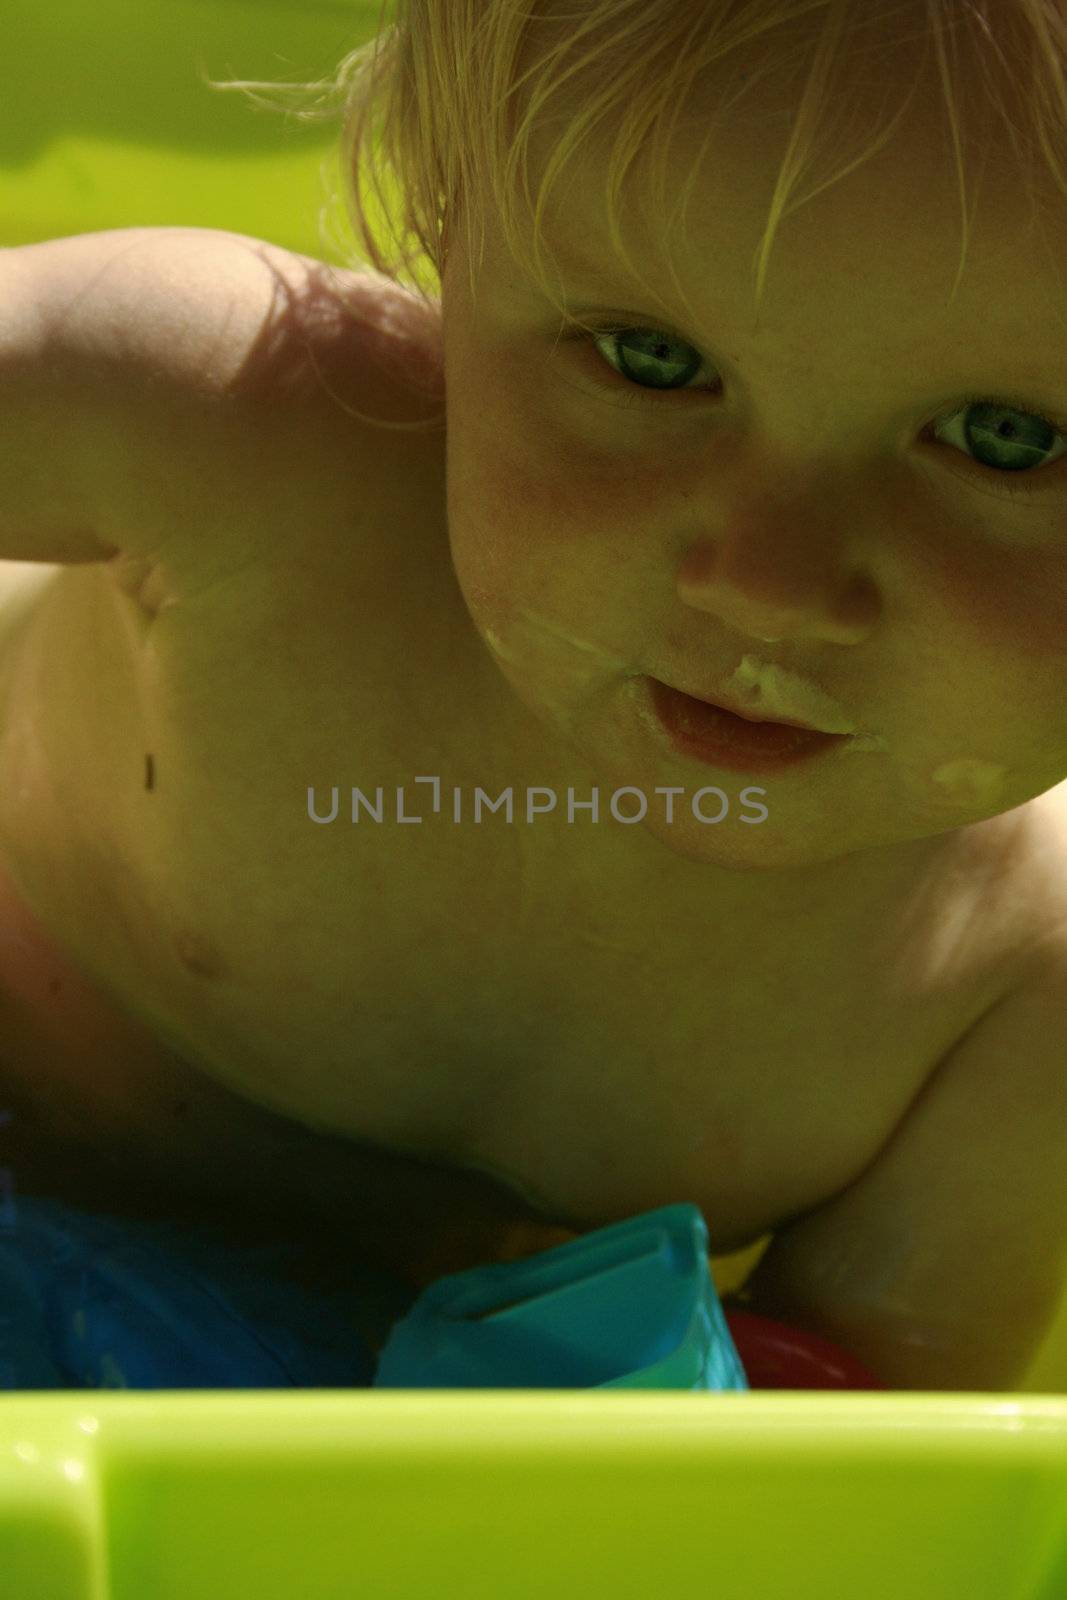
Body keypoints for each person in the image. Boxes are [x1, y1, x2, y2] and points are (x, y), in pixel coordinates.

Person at [1, 0, 1066, 1391]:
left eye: (1006, 440)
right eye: (651, 360)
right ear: (449, 235)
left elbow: (857, 1454)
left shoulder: (1018, 994)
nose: (768, 585)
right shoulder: (237, 432)